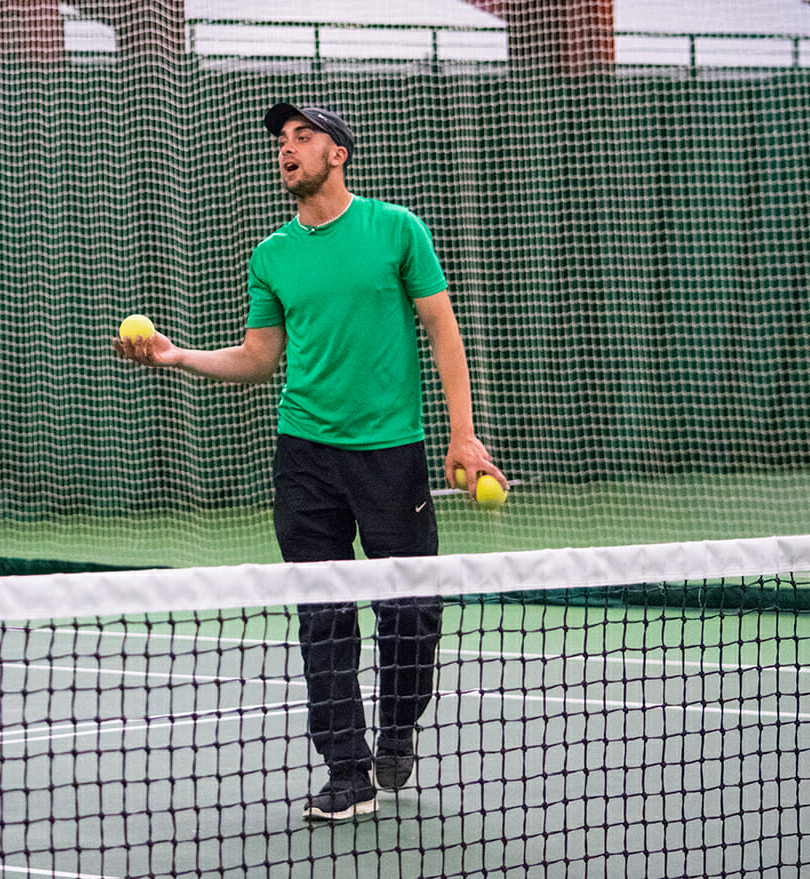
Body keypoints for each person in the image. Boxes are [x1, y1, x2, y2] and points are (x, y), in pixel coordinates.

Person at [114, 103, 505, 822]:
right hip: (304, 455)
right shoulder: (272, 255)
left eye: (303, 138)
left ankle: (397, 727)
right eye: (281, 142)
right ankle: (346, 768)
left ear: (338, 154)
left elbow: (443, 330)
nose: (286, 150)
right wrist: (175, 355)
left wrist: (462, 434)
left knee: (410, 611)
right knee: (322, 614)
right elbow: (259, 358)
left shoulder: (396, 230)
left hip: (391, 452)